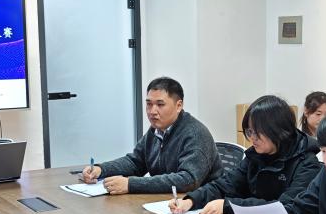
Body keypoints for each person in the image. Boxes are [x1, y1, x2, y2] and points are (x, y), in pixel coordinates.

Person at [169, 95, 321, 214]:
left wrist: (227, 205)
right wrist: (190, 200)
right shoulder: (255, 155)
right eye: (249, 132)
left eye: (257, 132)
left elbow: (283, 209)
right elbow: (225, 185)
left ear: (278, 131)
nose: (252, 138)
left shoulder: (307, 163)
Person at [81, 76, 223, 195]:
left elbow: (188, 180)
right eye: (149, 104)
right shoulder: (156, 129)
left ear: (178, 106)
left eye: (160, 105)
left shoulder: (195, 134)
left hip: (201, 207)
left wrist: (131, 184)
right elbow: (135, 162)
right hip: (165, 202)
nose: (152, 111)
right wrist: (101, 170)